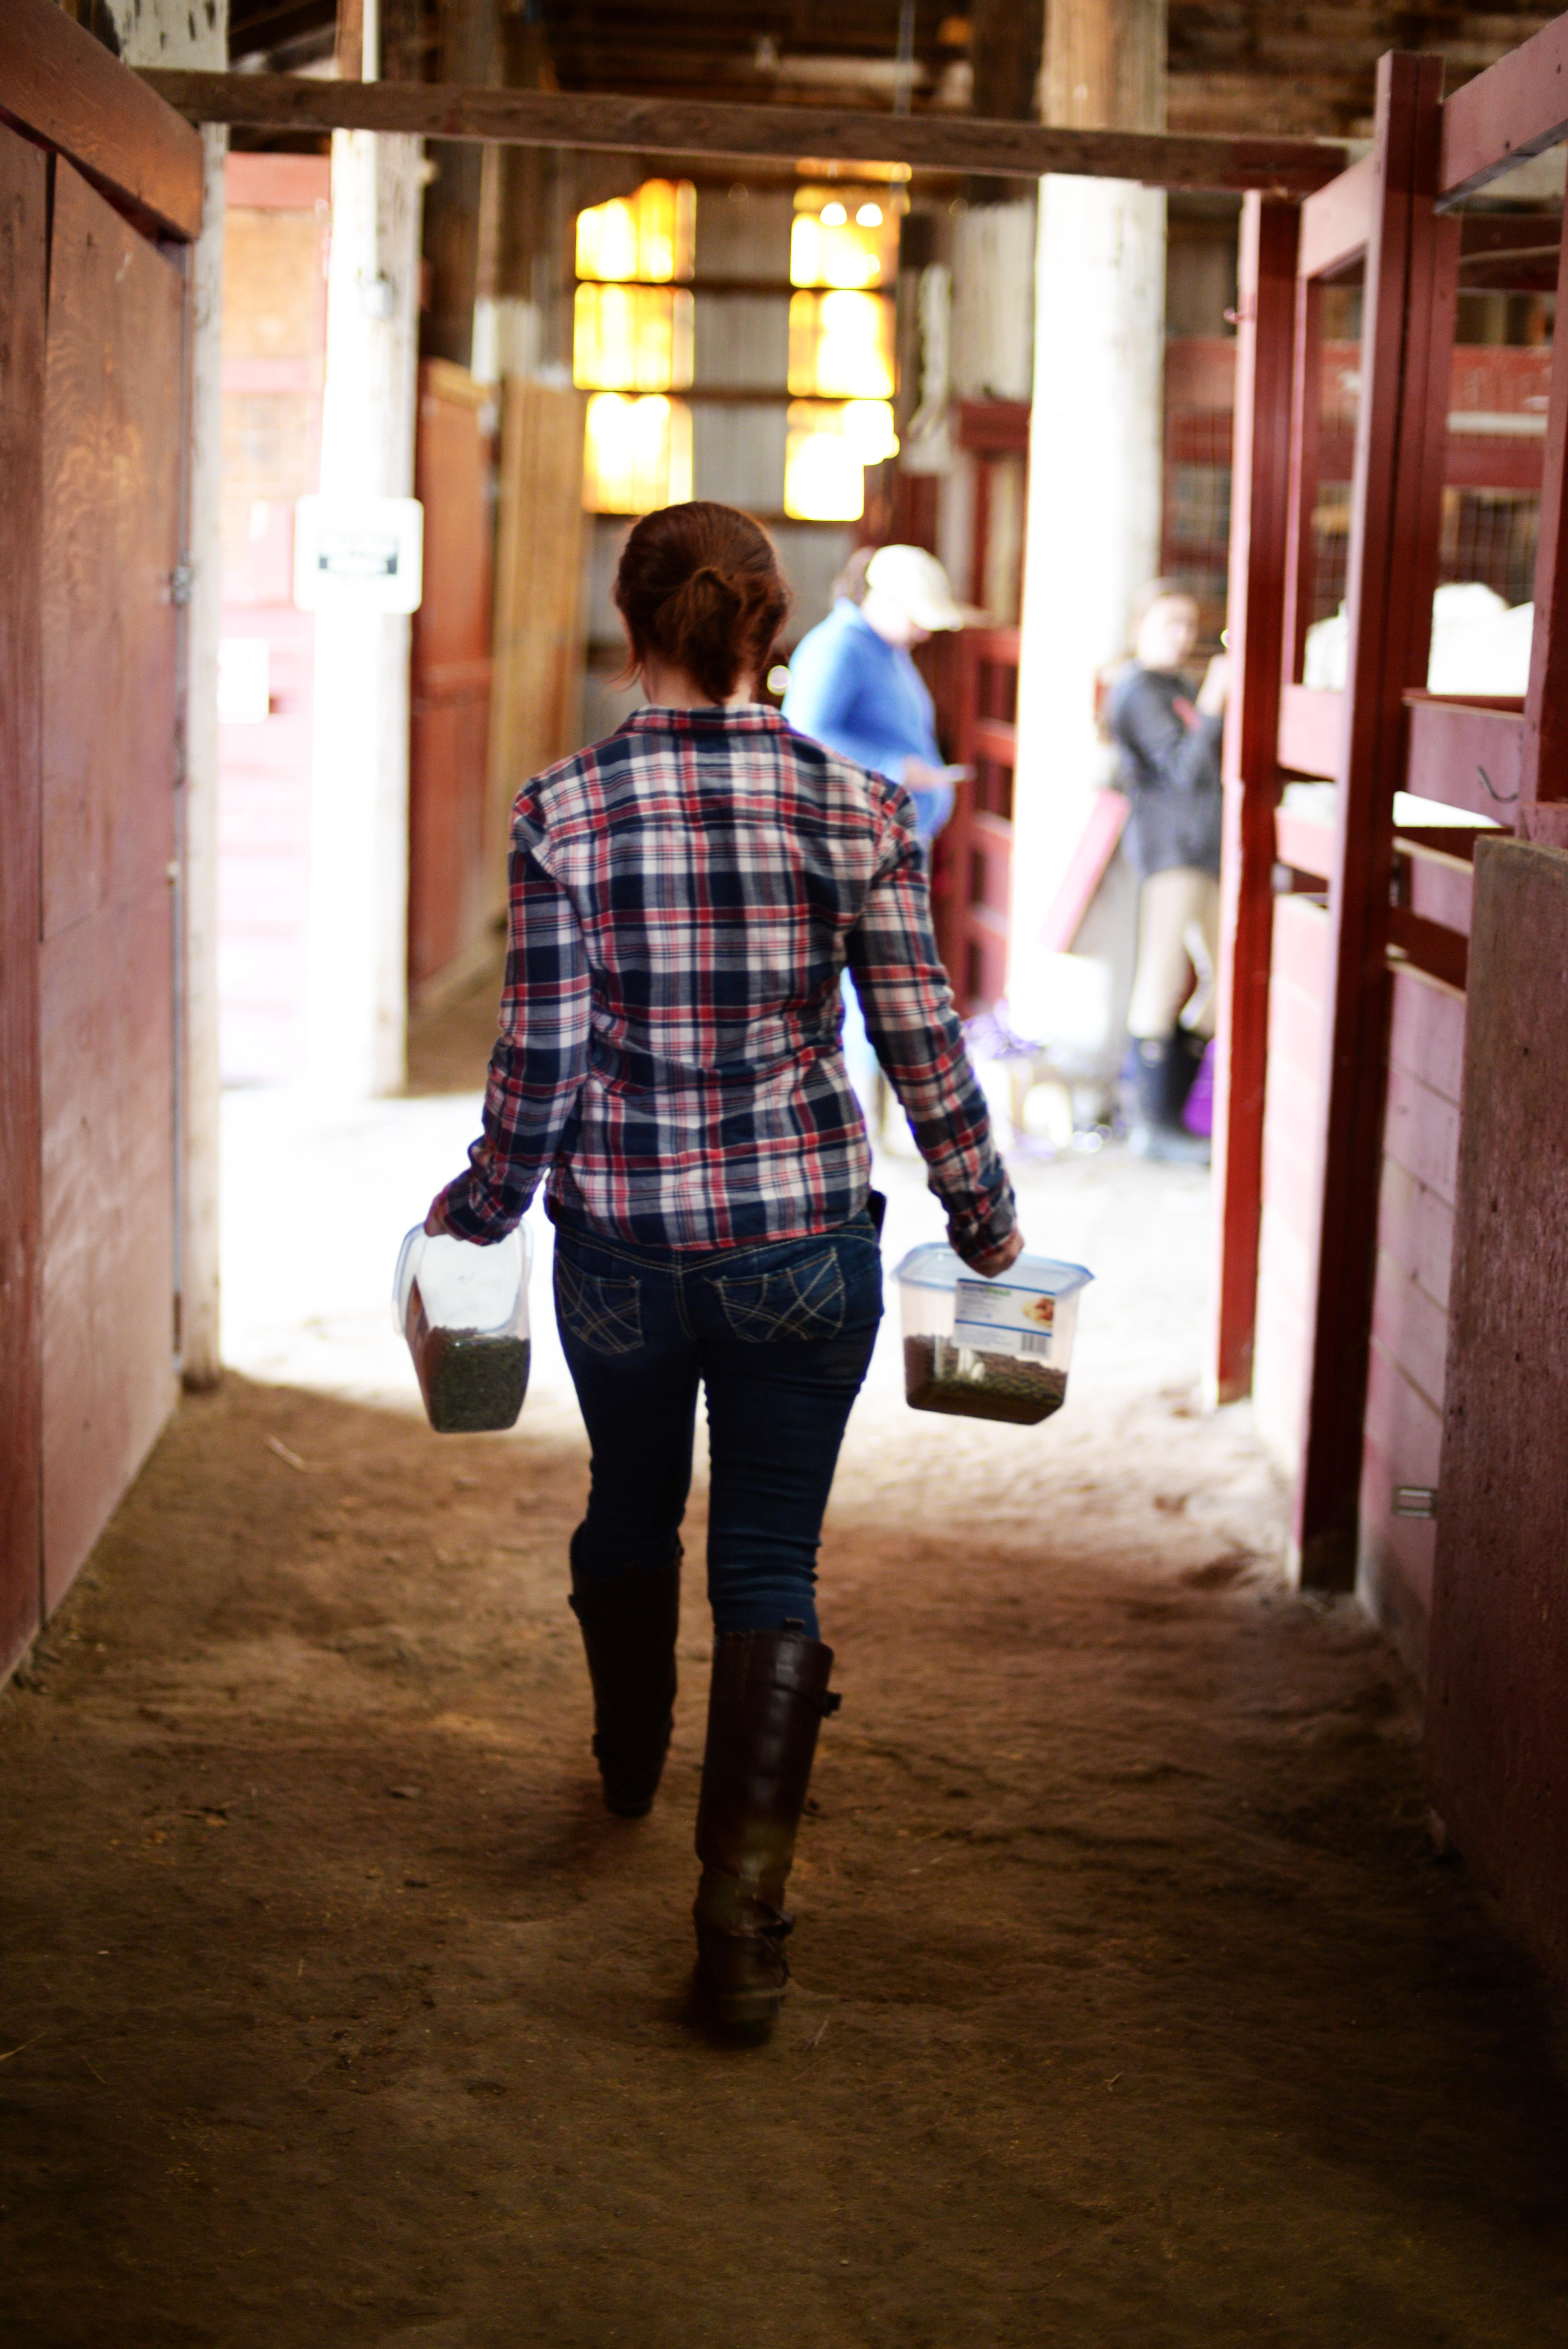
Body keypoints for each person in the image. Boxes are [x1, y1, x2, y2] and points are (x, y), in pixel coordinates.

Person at [426, 502, 1019, 2035]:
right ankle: (741, 1918)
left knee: (627, 1504)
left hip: (619, 1247)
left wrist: (483, 1207)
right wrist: (981, 1214)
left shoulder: (563, 809)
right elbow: (918, 1035)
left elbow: (540, 1058)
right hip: (800, 1244)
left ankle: (629, 1759)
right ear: (768, 630)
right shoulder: (854, 807)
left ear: (631, 627)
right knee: (769, 1558)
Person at [1107, 581, 1228, 1164]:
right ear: (1140, 628)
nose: (1181, 636)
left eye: (1189, 624)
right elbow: (1186, 769)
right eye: (1168, 624)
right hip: (1170, 850)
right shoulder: (1137, 691)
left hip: (1206, 849)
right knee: (1162, 973)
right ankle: (1154, 1124)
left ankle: (1172, 1116)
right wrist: (1215, 703)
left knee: (1225, 980)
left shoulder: (1176, 686)